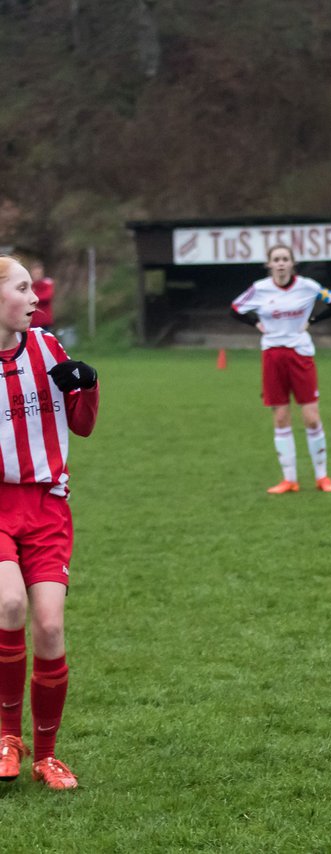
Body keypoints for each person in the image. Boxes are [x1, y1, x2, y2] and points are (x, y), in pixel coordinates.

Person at [0, 255, 99, 790]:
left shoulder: (47, 346)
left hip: (47, 507)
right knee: (9, 603)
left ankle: (47, 756)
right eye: (22, 289)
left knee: (51, 627)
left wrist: (89, 383)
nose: (36, 299)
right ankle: (7, 738)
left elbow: (81, 425)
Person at [231, 244, 331, 494]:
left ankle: (322, 476)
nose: (281, 263)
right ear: (269, 265)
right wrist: (256, 323)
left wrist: (312, 320)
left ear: (293, 263)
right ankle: (289, 479)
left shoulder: (307, 286)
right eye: (276, 259)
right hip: (272, 355)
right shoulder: (259, 289)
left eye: (285, 259)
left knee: (311, 417)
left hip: (300, 354)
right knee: (281, 417)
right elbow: (236, 309)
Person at [28, 262, 54, 331]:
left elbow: (47, 297)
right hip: (32, 322)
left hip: (44, 323)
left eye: (38, 273)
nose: (37, 275)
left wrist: (33, 297)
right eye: (35, 273)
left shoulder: (47, 283)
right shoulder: (30, 285)